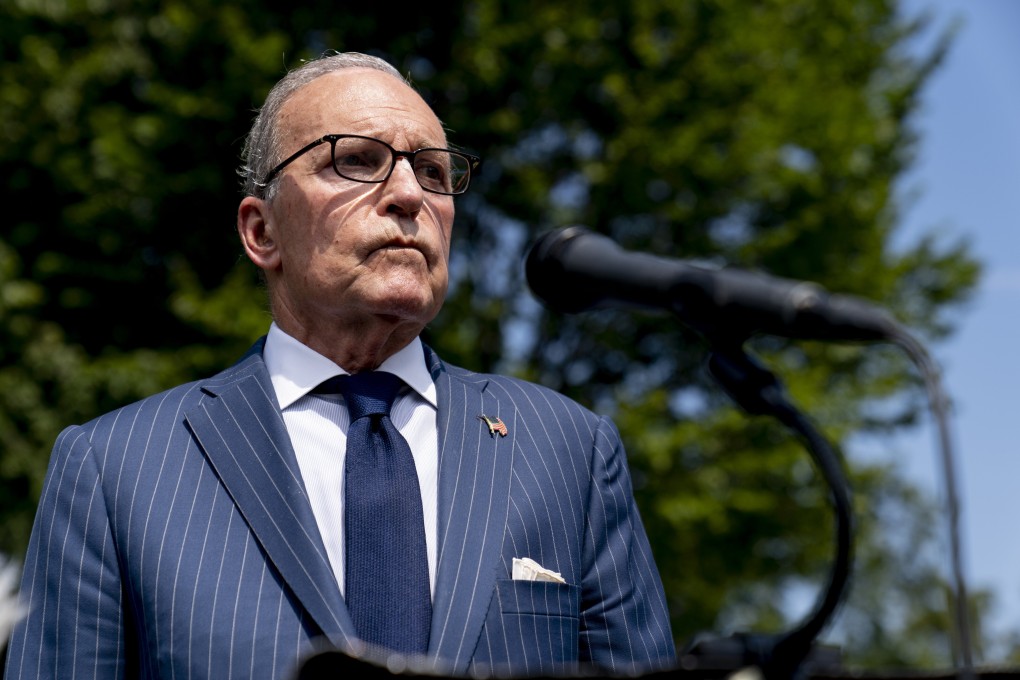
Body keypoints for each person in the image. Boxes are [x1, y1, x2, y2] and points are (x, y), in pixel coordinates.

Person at [4, 51, 675, 679]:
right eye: (356, 160)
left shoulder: (570, 451)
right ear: (261, 231)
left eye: (436, 172)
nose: (409, 194)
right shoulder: (116, 468)